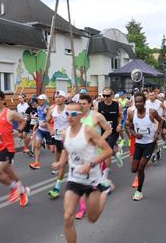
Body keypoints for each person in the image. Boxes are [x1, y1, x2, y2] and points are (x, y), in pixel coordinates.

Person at [51, 102, 112, 243]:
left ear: (81, 115)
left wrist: (90, 164)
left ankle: (104, 191)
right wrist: (60, 163)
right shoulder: (66, 132)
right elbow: (66, 150)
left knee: (92, 219)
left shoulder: (88, 131)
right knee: (67, 217)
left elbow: (108, 150)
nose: (69, 117)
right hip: (74, 179)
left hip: (92, 181)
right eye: (67, 113)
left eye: (73, 114)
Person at [0, 90, 30, 207]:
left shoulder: (9, 113)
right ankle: (23, 191)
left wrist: (18, 130)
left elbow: (23, 121)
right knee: (10, 172)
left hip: (7, 148)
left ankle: (14, 188)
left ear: (3, 100)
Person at [75, 94, 112, 219]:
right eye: (80, 103)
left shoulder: (96, 116)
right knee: (79, 179)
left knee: (92, 182)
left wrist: (99, 140)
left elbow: (108, 129)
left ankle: (104, 187)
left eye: (84, 103)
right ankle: (83, 208)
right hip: (80, 153)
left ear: (90, 104)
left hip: (95, 153)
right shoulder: (76, 116)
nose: (81, 106)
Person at [127, 92, 163, 201]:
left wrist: (157, 133)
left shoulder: (151, 112)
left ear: (144, 102)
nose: (138, 103)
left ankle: (139, 191)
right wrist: (134, 134)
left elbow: (161, 121)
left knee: (141, 167)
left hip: (150, 143)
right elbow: (129, 126)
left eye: (140, 101)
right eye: (136, 101)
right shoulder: (132, 114)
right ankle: (150, 159)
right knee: (134, 169)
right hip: (139, 143)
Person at [95, 88, 123, 182]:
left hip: (113, 132)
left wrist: (119, 124)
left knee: (107, 152)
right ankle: (116, 154)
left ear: (112, 95)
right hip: (102, 132)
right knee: (107, 150)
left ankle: (105, 175)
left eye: (108, 96)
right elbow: (95, 118)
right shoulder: (98, 105)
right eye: (104, 96)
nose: (106, 98)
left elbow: (120, 116)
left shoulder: (117, 105)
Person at [47, 90, 68, 198]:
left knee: (62, 163)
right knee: (61, 162)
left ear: (64, 99)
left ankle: (57, 187)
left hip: (69, 140)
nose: (58, 99)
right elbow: (47, 120)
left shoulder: (69, 109)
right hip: (58, 139)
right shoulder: (52, 109)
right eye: (56, 97)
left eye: (60, 97)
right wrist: (51, 129)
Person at [29, 94, 52, 169]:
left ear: (44, 100)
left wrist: (46, 123)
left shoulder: (48, 108)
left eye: (40, 100)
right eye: (38, 100)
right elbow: (39, 117)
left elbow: (52, 118)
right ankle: (36, 163)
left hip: (48, 131)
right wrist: (36, 125)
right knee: (37, 145)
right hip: (40, 130)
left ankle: (63, 156)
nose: (38, 101)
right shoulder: (38, 107)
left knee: (51, 149)